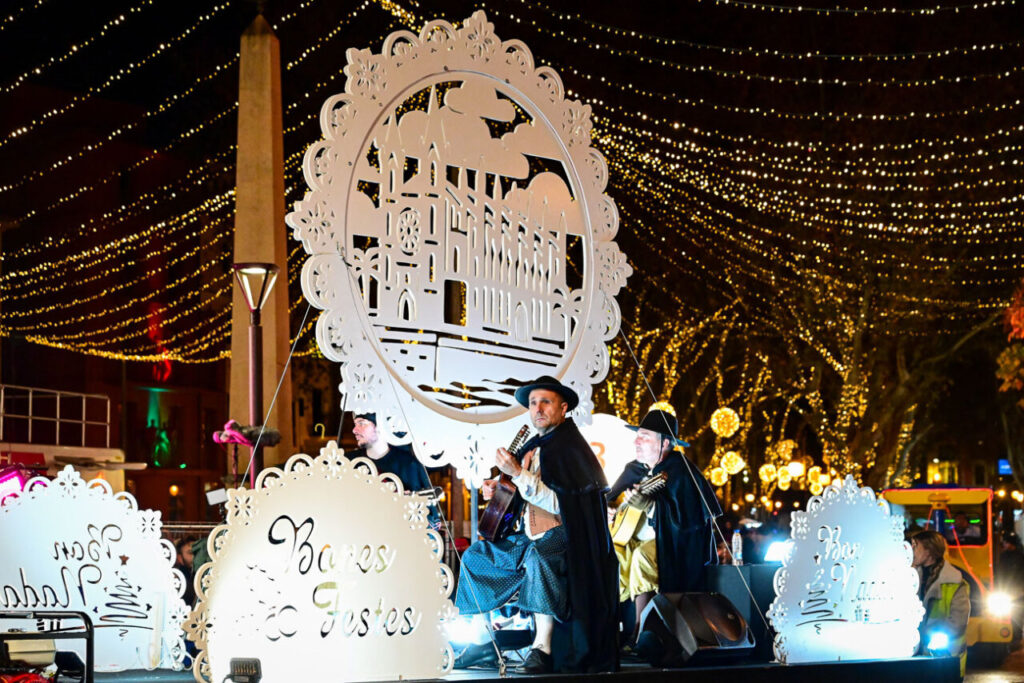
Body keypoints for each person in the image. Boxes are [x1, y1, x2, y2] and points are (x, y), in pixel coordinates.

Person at [454, 376, 618, 674]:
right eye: (532, 403)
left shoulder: (571, 449)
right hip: (528, 536)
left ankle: (542, 647)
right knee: (474, 557)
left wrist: (516, 473)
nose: (538, 409)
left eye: (546, 402)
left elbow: (562, 504)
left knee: (539, 556)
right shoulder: (533, 446)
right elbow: (519, 490)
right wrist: (499, 486)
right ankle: (483, 642)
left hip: (564, 536)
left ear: (563, 407)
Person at [607, 407, 722, 648]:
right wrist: (608, 509)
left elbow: (688, 522)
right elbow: (610, 500)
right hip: (630, 541)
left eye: (645, 436)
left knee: (642, 558)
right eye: (638, 435)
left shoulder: (682, 473)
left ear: (665, 443)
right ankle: (608, 629)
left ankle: (642, 630)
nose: (637, 441)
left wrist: (651, 506)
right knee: (608, 556)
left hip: (671, 547)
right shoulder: (634, 469)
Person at [348, 412, 439, 527]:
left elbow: (432, 521)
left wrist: (409, 507)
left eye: (361, 424)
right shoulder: (349, 462)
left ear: (380, 426)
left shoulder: (409, 464)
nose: (354, 430)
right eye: (355, 424)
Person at [912, 530, 970, 675]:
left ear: (929, 550)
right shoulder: (909, 576)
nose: (911, 550)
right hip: (916, 653)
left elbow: (958, 621)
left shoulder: (954, 582)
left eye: (916, 546)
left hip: (944, 657)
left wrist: (928, 635)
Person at [174, 537, 196, 606]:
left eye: (197, 552)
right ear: (179, 558)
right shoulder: (177, 579)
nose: (195, 556)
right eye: (191, 553)